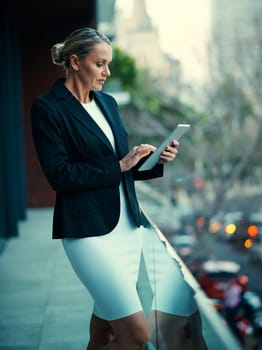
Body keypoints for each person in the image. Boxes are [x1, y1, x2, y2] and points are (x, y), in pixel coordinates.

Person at [31, 27, 207, 350]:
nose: (107, 72)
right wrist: (119, 165)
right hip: (87, 234)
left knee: (104, 335)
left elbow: (121, 170)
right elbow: (60, 175)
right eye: (100, 64)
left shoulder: (108, 104)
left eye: (108, 64)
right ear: (74, 61)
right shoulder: (48, 108)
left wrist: (154, 160)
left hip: (127, 231)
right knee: (137, 334)